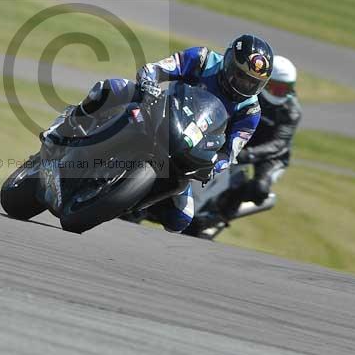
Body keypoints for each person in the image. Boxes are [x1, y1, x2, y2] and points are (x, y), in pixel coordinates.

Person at [42, 34, 274, 233]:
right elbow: (158, 68)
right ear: (229, 61)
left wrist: (214, 166)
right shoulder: (204, 59)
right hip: (160, 110)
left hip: (189, 148)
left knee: (181, 218)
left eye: (252, 83)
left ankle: (124, 201)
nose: (244, 85)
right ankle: (63, 128)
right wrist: (149, 81)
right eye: (241, 76)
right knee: (111, 88)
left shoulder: (250, 110)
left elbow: (230, 152)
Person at [213, 55, 302, 220]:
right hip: (246, 139)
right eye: (275, 88)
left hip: (272, 155)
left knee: (260, 189)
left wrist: (247, 155)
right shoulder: (249, 95)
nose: (279, 94)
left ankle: (224, 213)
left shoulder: (292, 112)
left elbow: (278, 144)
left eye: (285, 89)